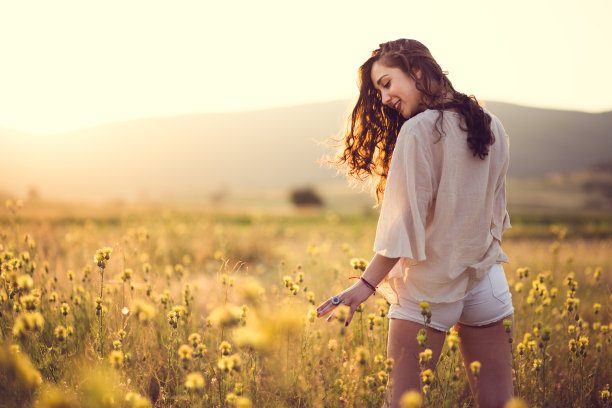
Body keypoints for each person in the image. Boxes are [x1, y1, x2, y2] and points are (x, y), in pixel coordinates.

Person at [316, 39, 515, 408]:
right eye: (379, 91)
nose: (384, 98)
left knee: (404, 403)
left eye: (387, 83)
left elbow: (403, 226)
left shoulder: (419, 130)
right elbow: (495, 214)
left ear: (418, 72)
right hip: (487, 282)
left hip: (429, 287)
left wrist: (365, 284)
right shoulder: (492, 125)